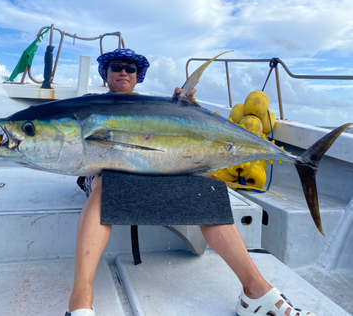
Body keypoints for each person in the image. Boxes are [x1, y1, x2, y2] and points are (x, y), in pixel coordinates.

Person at [66, 48, 316, 316]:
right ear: (105, 73)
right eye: (116, 67)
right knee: (106, 187)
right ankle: (81, 302)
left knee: (208, 187)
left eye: (131, 69)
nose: (124, 72)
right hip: (106, 175)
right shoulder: (89, 104)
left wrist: (183, 109)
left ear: (139, 77)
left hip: (155, 170)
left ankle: (255, 292)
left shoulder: (156, 106)